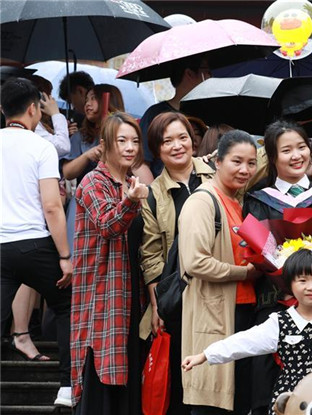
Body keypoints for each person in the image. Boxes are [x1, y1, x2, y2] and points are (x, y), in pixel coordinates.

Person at [243, 120, 312, 415]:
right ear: (272, 157)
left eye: (302, 147)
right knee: (271, 391)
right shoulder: (258, 201)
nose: (296, 156)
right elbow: (256, 252)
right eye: (286, 150)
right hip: (275, 306)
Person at [181, 249, 312, 415]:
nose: (311, 287)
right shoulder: (279, 322)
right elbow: (244, 341)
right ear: (290, 285)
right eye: (302, 281)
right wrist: (205, 355)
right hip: (290, 399)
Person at [0, 77, 73, 407]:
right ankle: (67, 387)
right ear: (33, 109)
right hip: (34, 243)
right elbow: (52, 206)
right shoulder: (41, 146)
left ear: (3, 110)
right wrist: (64, 255)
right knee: (66, 305)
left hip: (1, 247)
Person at [178, 130, 261, 415]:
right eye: (237, 161)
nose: (245, 169)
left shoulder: (238, 201)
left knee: (236, 402)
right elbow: (195, 262)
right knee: (211, 402)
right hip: (214, 314)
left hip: (242, 311)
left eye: (251, 163)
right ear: (217, 161)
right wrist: (244, 273)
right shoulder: (202, 202)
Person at [70, 112, 148, 413]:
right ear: (105, 144)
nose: (129, 148)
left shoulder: (131, 183)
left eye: (134, 141)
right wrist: (131, 201)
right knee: (101, 373)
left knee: (127, 376)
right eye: (121, 141)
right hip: (102, 294)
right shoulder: (93, 181)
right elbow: (107, 225)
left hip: (131, 293)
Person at [139, 112, 215, 415]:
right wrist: (157, 305)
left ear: (193, 141)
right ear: (157, 149)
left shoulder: (216, 174)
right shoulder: (153, 195)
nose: (177, 146)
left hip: (220, 284)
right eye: (167, 141)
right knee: (182, 373)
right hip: (180, 295)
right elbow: (151, 255)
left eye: (183, 137)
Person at [62, 84, 125, 257]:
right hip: (83, 204)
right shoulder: (80, 136)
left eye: (93, 98)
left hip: (115, 199)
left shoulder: (124, 134)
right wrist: (87, 155)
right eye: (86, 99)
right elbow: (67, 172)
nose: (87, 104)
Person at [138, 55, 212, 181]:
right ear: (189, 73)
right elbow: (140, 164)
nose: (210, 76)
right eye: (206, 71)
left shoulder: (211, 113)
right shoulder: (155, 115)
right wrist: (155, 191)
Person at [29, 74, 71, 157]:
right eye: (49, 94)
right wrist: (56, 113)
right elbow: (63, 147)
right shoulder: (33, 124)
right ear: (41, 97)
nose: (52, 99)